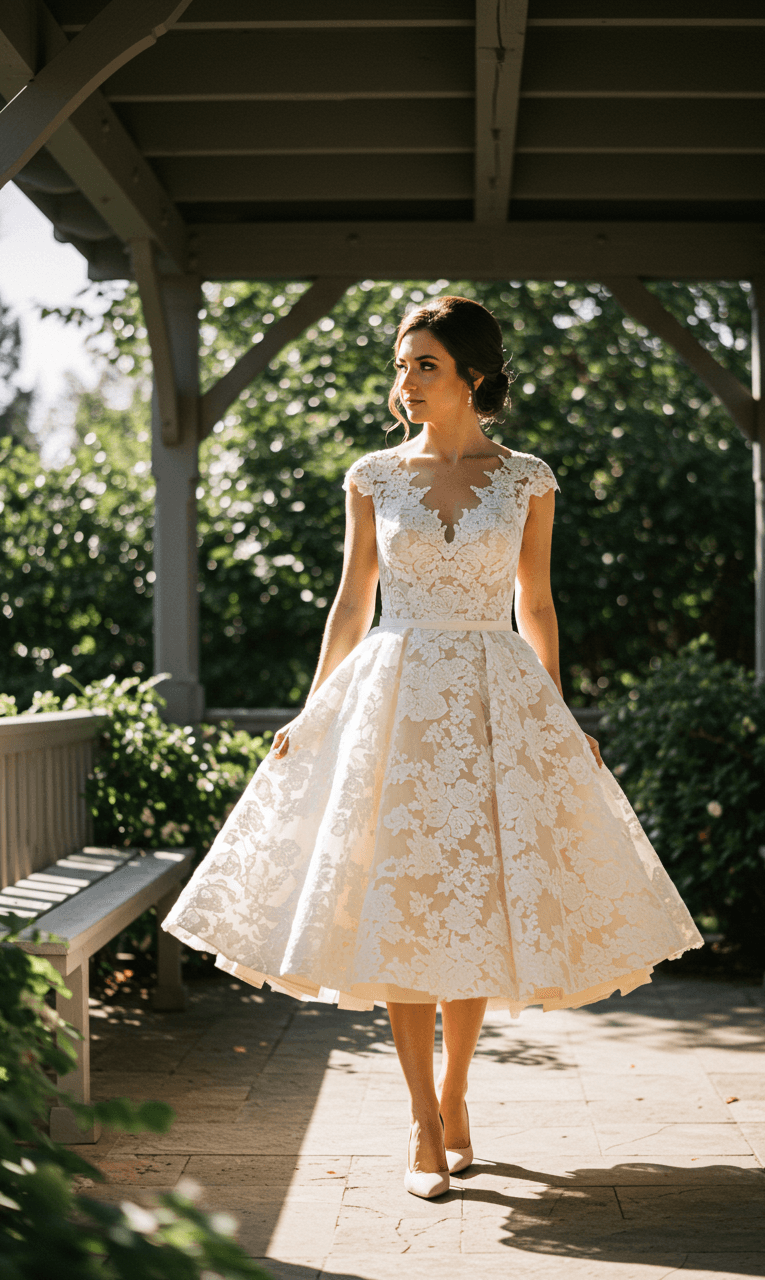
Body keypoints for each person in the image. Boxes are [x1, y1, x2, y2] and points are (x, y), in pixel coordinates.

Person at [163, 295, 702, 1200]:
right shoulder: (372, 475)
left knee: (476, 907)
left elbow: (537, 606)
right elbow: (351, 603)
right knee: (404, 905)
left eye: (426, 367)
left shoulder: (528, 478)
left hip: (496, 698)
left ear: (475, 378)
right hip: (395, 700)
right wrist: (311, 710)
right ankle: (421, 1123)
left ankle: (455, 1098)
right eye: (403, 364)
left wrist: (559, 725)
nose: (406, 383)